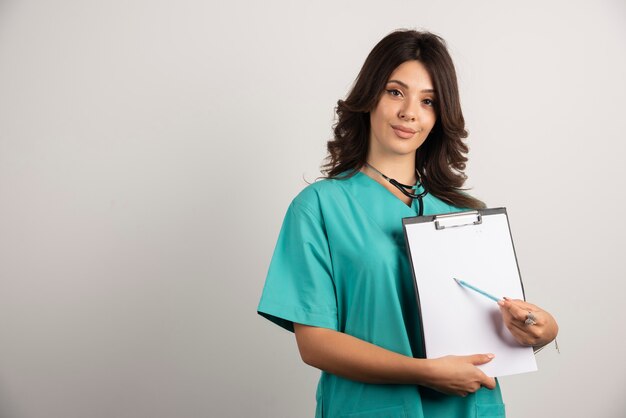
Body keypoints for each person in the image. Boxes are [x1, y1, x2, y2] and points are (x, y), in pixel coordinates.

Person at [257, 29, 558, 418]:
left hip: (469, 408)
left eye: (428, 101)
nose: (409, 113)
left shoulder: (462, 216)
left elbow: (494, 332)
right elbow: (314, 343)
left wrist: (542, 329)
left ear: (439, 115)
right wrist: (424, 373)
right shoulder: (319, 207)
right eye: (395, 92)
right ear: (369, 97)